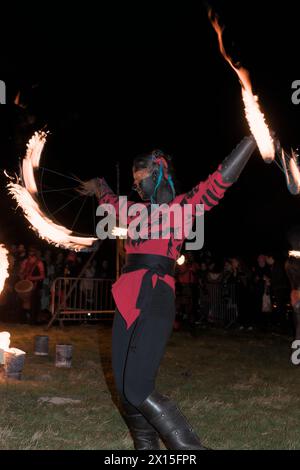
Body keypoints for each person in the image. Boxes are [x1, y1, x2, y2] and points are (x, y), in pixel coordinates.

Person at [78, 136, 257, 450]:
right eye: (134, 182)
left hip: (155, 294)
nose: (137, 186)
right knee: (123, 387)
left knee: (136, 386)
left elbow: (219, 182)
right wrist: (99, 185)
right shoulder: (132, 210)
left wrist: (252, 140)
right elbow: (108, 200)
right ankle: (147, 449)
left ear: (159, 174)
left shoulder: (181, 208)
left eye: (141, 179)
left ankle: (190, 450)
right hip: (126, 298)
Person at [19, 247, 45, 324]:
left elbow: (42, 276)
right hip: (25, 285)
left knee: (34, 303)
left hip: (34, 286)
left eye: (32, 254)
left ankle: (33, 320)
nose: (31, 256)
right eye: (29, 254)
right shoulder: (25, 261)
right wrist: (22, 276)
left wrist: (31, 278)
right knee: (24, 302)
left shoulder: (39, 263)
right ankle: (23, 320)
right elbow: (21, 272)